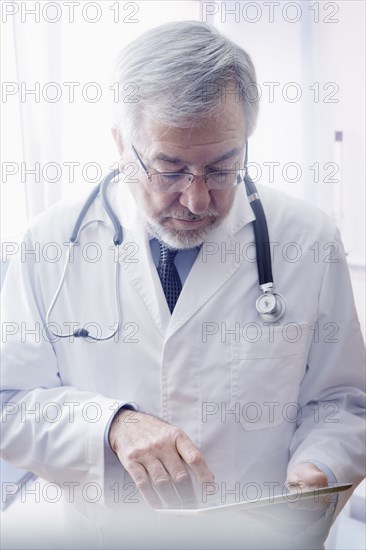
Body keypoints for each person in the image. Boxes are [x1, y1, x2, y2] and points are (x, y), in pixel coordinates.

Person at [1, 20, 365, 550]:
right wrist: (110, 425)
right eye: (169, 171)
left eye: (222, 169)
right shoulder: (50, 244)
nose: (197, 201)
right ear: (122, 145)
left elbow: (344, 400)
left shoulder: (307, 239)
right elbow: (8, 402)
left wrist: (320, 464)